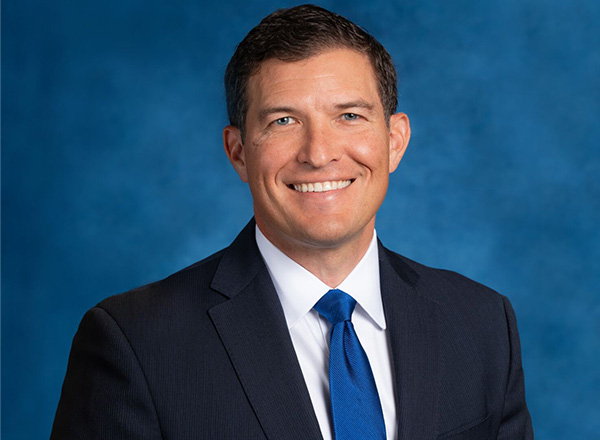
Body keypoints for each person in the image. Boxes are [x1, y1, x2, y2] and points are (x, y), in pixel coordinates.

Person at [51, 5, 533, 440]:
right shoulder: (134, 342)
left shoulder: (482, 324)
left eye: (349, 115)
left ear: (395, 141)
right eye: (283, 121)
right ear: (238, 153)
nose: (319, 153)